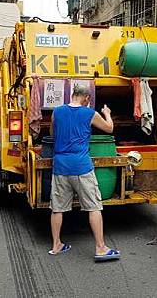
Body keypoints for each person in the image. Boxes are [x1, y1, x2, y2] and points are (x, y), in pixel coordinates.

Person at [48, 84, 121, 261]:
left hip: (60, 166)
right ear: (87, 98)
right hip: (81, 166)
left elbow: (52, 133)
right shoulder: (90, 114)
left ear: (72, 95)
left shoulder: (57, 112)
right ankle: (101, 248)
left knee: (57, 208)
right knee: (94, 207)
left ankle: (56, 244)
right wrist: (107, 114)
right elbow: (109, 129)